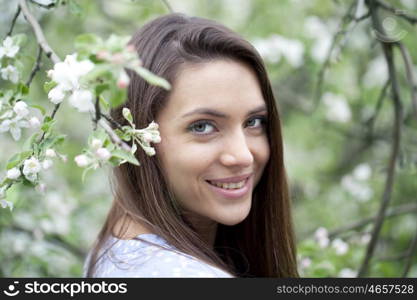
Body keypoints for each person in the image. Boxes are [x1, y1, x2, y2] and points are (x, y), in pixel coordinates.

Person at [84, 13, 298, 278]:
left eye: (253, 122)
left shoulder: (117, 246)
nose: (242, 156)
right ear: (138, 138)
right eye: (203, 127)